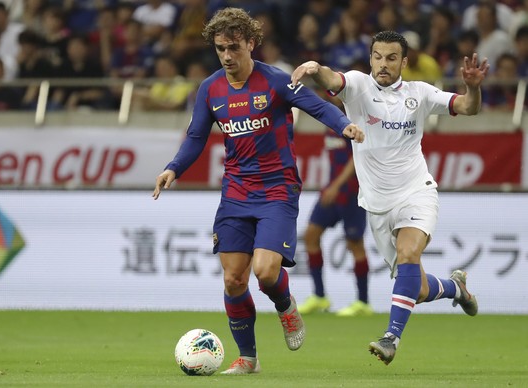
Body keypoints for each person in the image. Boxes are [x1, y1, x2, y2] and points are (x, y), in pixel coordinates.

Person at [153, 7, 364, 375]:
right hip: (235, 191)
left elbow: (317, 106)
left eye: (234, 47)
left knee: (266, 272)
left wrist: (344, 125)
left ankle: (285, 306)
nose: (227, 56)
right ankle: (248, 359)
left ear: (251, 43)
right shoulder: (210, 89)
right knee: (234, 279)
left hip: (277, 189)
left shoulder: (276, 81)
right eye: (220, 49)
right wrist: (173, 168)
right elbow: (196, 138)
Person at [291, 30, 488, 365]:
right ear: (370, 58)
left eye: (392, 57)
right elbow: (333, 79)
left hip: (416, 192)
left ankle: (391, 337)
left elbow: (468, 107)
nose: (383, 64)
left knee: (409, 253)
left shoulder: (420, 94)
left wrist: (473, 87)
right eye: (378, 56)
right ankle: (456, 288)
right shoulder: (358, 86)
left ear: (404, 61)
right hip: (376, 205)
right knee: (418, 288)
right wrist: (314, 66)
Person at [298, 130, 373, 317]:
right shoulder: (329, 121)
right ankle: (319, 296)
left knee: (355, 244)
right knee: (311, 236)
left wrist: (336, 185)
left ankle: (363, 302)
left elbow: (358, 157)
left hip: (352, 192)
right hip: (332, 190)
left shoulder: (353, 120)